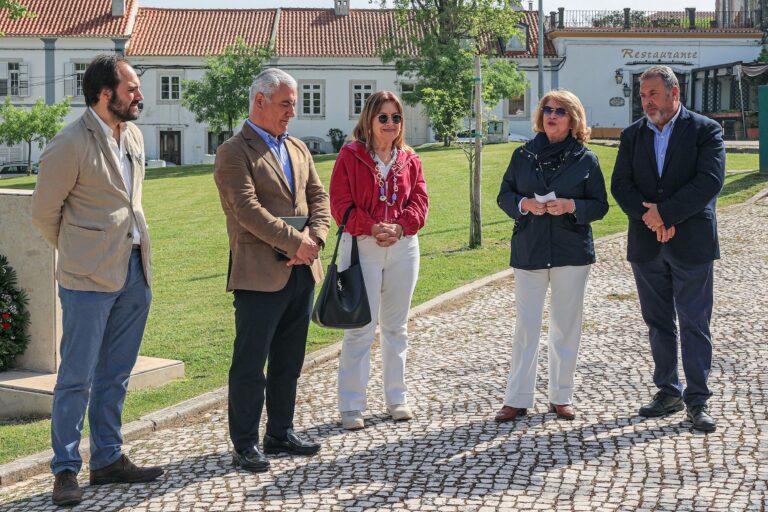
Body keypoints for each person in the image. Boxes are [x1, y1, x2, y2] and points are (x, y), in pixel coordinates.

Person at [31, 54, 162, 507]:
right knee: (76, 378)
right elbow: (44, 214)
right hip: (86, 276)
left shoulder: (136, 136)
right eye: (131, 89)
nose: (139, 95)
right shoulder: (70, 142)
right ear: (105, 94)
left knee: (116, 375)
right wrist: (78, 253)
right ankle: (65, 470)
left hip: (133, 269)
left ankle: (107, 459)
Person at [213, 68, 331, 473]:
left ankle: (279, 432)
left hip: (302, 272)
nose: (291, 113)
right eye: (285, 104)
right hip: (258, 275)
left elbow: (319, 195)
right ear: (259, 101)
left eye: (294, 104)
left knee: (288, 360)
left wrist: (315, 237)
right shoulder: (233, 151)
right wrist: (293, 241)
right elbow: (245, 209)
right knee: (250, 363)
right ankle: (244, 443)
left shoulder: (298, 147)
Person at [611, 65, 725, 433]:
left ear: (675, 94)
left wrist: (667, 213)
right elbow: (621, 185)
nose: (647, 102)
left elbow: (709, 181)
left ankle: (697, 399)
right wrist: (652, 219)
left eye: (653, 94)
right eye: (643, 96)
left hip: (691, 242)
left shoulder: (706, 130)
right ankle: (667, 391)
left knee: (694, 322)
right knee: (658, 322)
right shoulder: (632, 135)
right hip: (647, 243)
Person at [495, 89, 609, 423]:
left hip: (570, 250)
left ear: (573, 120)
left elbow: (600, 205)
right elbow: (505, 195)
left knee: (566, 327)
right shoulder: (522, 155)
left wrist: (572, 206)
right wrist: (524, 205)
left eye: (560, 111)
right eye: (548, 109)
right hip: (529, 248)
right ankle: (516, 398)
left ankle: (561, 396)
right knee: (526, 327)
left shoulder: (586, 159)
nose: (552, 115)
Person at [329, 91, 429, 430]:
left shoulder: (410, 159)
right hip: (362, 245)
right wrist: (372, 227)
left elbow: (420, 202)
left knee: (396, 327)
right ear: (369, 121)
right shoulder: (350, 155)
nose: (390, 123)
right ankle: (351, 405)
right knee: (360, 327)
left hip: (403, 246)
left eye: (396, 118)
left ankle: (396, 399)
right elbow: (340, 205)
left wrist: (400, 228)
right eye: (383, 117)